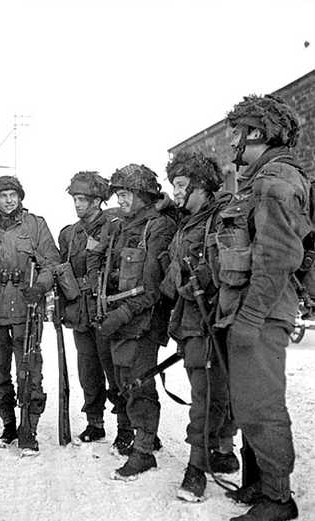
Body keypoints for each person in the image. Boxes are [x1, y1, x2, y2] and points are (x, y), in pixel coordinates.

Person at [216, 94, 310, 521]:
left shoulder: (274, 180)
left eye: (236, 132)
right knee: (250, 402)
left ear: (255, 133)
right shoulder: (259, 179)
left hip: (262, 311)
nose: (231, 140)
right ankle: (258, 484)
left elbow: (277, 257)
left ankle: (278, 498)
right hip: (250, 308)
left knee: (262, 405)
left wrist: (250, 318)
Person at [89, 164, 176, 480]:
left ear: (142, 195)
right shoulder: (119, 226)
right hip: (116, 317)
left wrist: (120, 316)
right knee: (123, 383)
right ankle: (144, 435)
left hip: (143, 321)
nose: (121, 200)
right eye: (119, 194)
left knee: (139, 384)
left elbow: (154, 289)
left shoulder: (159, 228)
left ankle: (143, 453)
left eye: (126, 194)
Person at [161, 151, 239, 502]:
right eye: (173, 185)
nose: (175, 191)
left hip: (215, 318)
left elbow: (236, 266)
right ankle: (220, 451)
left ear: (201, 186)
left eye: (180, 185)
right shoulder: (187, 222)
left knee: (208, 395)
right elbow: (171, 276)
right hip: (191, 320)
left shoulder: (223, 217)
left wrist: (207, 277)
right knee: (208, 391)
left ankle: (199, 466)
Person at [0, 175, 60, 455]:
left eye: (14, 194)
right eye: (3, 196)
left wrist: (41, 286)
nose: (9, 200)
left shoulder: (36, 225)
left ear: (20, 196)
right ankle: (9, 423)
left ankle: (29, 428)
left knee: (30, 370)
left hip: (26, 310)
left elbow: (51, 262)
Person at [57, 171, 127, 443]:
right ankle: (94, 422)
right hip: (79, 310)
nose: (78, 204)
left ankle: (125, 426)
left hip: (105, 307)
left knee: (114, 369)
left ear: (98, 200)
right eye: (75, 198)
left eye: (83, 199)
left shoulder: (115, 226)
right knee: (88, 370)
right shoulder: (70, 234)